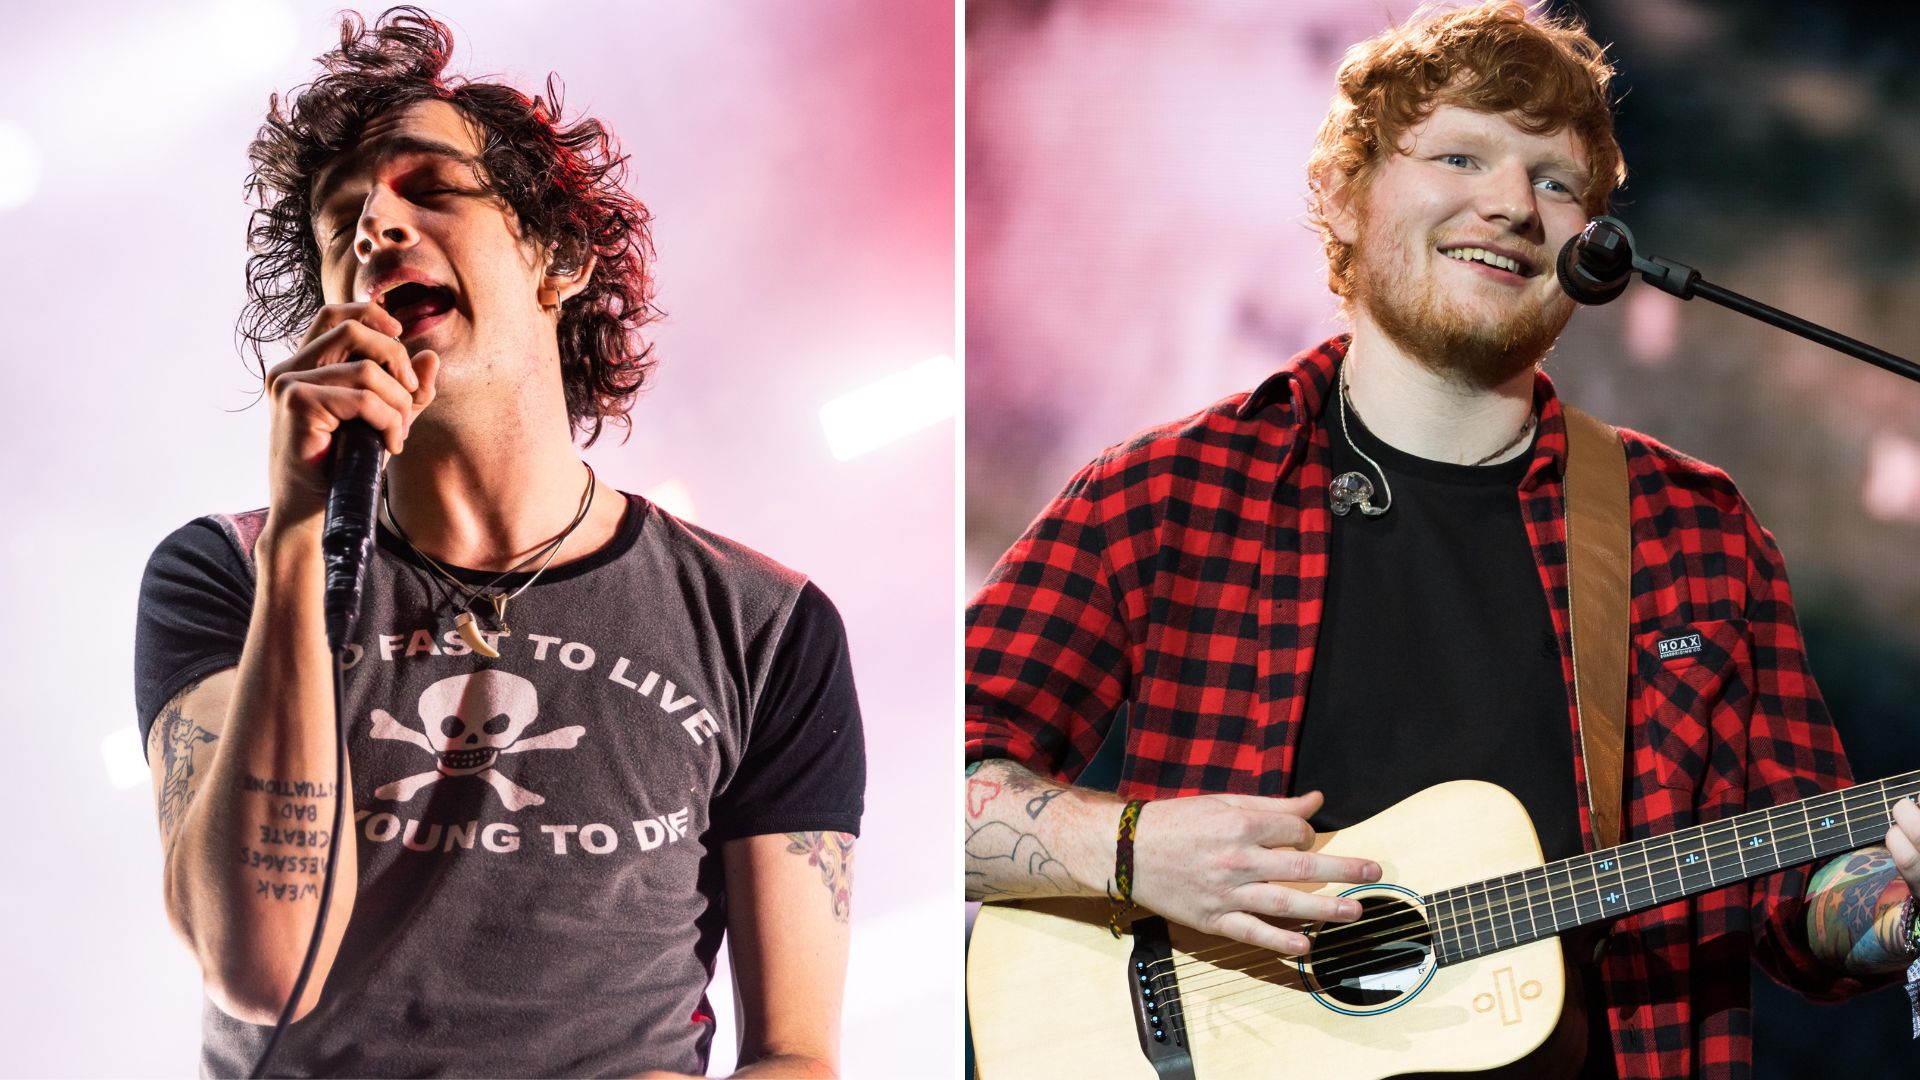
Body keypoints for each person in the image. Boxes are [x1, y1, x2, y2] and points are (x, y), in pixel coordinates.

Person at [963, 3, 1919, 1076]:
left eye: (1556, 183)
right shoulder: (1164, 497)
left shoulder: (1695, 532)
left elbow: (1809, 911)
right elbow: (922, 787)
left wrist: (1904, 897)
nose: (1512, 203)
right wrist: (1131, 851)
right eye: (1462, 154)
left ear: (1594, 248)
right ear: (1344, 193)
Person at [135, 9, 864, 1077]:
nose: (376, 228)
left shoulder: (764, 625)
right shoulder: (224, 572)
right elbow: (263, 970)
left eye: (430, 190)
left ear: (556, 253)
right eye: (343, 223)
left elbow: (797, 1055)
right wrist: (300, 536)